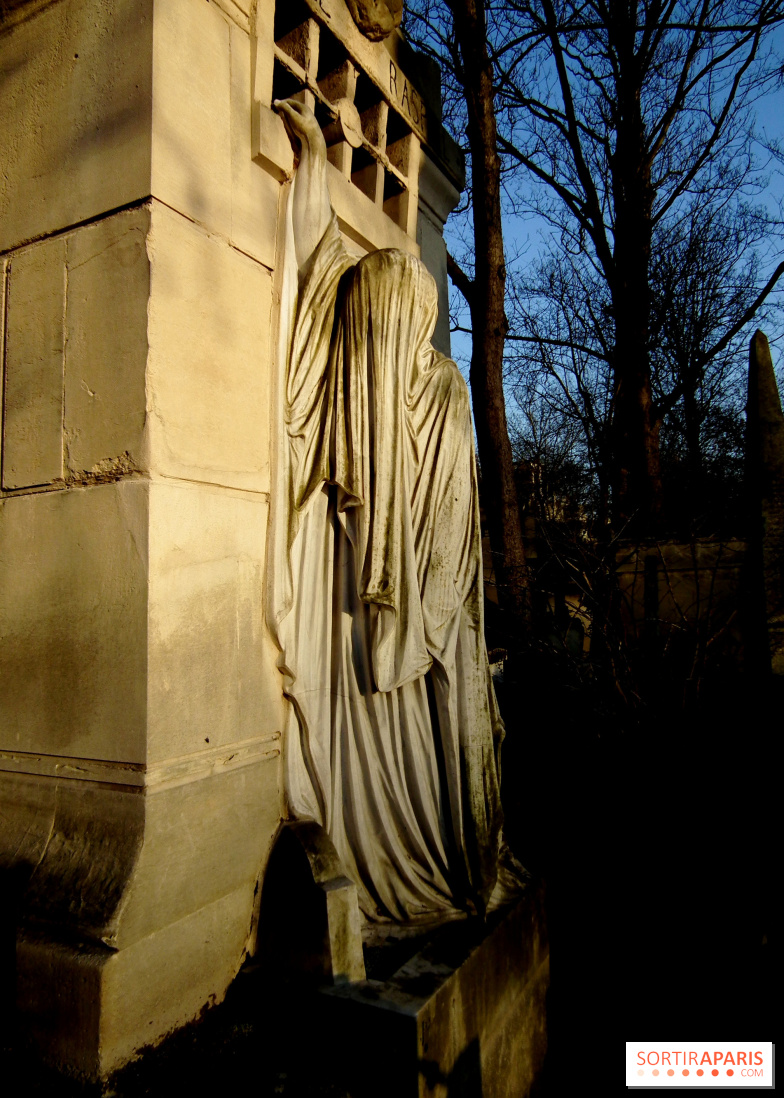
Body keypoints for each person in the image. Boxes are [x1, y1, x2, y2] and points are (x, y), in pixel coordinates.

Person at [267, 98, 510, 924]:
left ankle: (434, 849)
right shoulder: (380, 342)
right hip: (377, 630)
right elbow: (326, 263)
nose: (363, 346)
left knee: (424, 754)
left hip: (415, 639)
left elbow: (448, 547)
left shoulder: (441, 391)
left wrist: (416, 619)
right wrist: (316, 165)